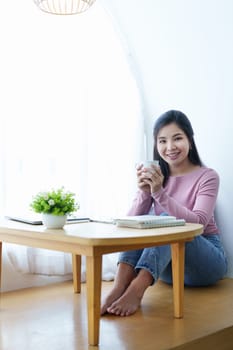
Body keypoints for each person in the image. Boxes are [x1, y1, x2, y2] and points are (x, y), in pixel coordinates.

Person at [101, 109, 228, 317]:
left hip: (206, 264)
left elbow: (199, 224)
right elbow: (130, 222)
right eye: (162, 141)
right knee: (143, 222)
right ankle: (118, 288)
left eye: (177, 138)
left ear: (190, 139)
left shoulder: (208, 176)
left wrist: (159, 193)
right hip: (166, 269)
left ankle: (136, 289)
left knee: (166, 222)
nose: (169, 147)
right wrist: (144, 193)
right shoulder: (159, 175)